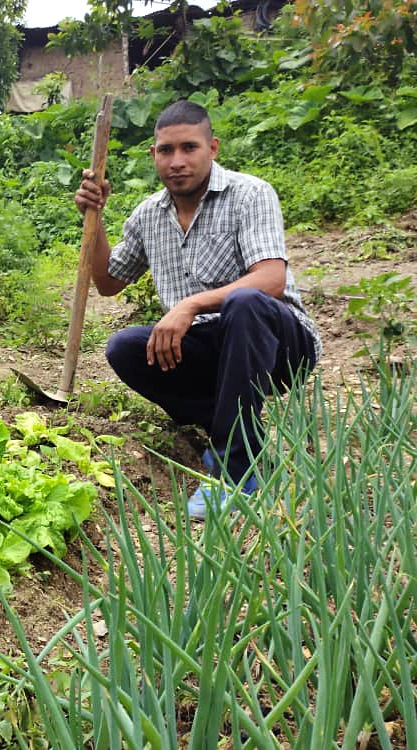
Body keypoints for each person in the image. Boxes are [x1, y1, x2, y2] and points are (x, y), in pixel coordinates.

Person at [74, 100, 321, 519]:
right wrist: (93, 218)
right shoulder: (149, 215)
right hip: (214, 352)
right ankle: (235, 433)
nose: (177, 161)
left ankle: (236, 473)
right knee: (125, 348)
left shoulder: (249, 194)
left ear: (213, 148)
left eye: (189, 148)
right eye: (166, 150)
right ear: (153, 155)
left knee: (243, 303)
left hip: (278, 343)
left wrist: (190, 304)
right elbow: (108, 282)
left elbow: (270, 280)